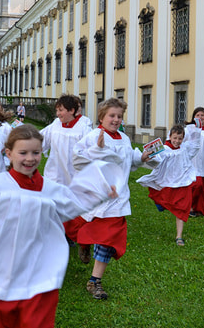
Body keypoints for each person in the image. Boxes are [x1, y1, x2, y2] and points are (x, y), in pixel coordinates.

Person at [0, 124, 118, 328]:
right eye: (23, 153)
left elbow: (72, 201)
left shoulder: (49, 189)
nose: (30, 158)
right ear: (9, 153)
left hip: (35, 271)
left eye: (35, 152)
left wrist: (101, 189)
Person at [65, 98, 151, 300]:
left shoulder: (124, 138)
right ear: (101, 116)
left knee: (108, 239)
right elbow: (77, 159)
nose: (116, 119)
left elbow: (128, 161)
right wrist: (97, 149)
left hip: (117, 198)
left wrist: (142, 158)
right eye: (112, 115)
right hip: (96, 196)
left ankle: (94, 281)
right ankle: (84, 244)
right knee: (78, 227)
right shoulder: (93, 136)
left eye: (119, 116)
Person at [136, 124, 201, 246]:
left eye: (180, 138)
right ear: (170, 136)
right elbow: (156, 161)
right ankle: (162, 204)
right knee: (163, 199)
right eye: (175, 138)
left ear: (183, 139)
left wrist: (197, 131)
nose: (177, 141)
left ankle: (179, 236)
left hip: (182, 183)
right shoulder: (164, 149)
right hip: (167, 182)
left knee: (182, 208)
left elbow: (195, 146)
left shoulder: (184, 149)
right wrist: (151, 157)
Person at [40, 94, 92, 187]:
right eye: (57, 110)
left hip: (74, 179)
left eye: (61, 110)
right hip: (53, 177)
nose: (57, 114)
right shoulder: (55, 124)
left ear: (71, 110)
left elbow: (91, 153)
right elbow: (40, 139)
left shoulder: (84, 129)